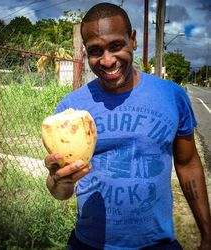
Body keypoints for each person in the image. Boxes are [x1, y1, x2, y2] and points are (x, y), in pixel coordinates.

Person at [44, 3, 211, 250]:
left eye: (116, 46)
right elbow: (60, 192)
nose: (107, 60)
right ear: (85, 51)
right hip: (89, 244)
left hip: (157, 244)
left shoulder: (171, 96)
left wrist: (207, 234)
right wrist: (60, 183)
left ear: (132, 40)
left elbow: (187, 163)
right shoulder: (70, 111)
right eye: (95, 51)